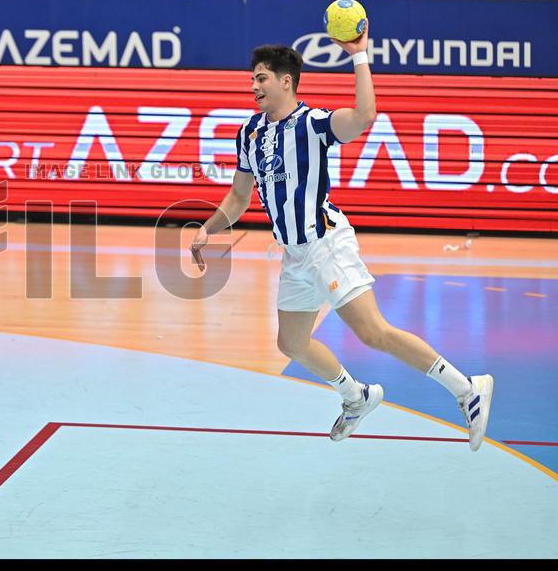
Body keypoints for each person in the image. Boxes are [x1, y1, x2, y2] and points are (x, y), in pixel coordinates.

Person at [190, 31, 494, 450]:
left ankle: (467, 389)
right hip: (294, 254)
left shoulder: (314, 123)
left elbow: (365, 115)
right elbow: (240, 196)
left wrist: (359, 56)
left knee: (372, 332)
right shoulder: (249, 134)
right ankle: (356, 395)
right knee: (291, 342)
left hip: (326, 242)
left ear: (286, 81)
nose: (254, 86)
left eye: (262, 78)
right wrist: (209, 227)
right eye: (252, 79)